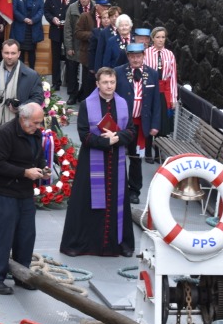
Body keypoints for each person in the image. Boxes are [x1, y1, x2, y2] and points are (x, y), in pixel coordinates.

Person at [59, 67, 136, 257]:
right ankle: (81, 244)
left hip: (116, 161)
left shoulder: (123, 103)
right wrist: (105, 141)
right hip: (92, 161)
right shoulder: (87, 104)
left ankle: (119, 244)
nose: (109, 86)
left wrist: (117, 136)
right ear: (97, 84)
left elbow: (132, 131)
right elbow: (83, 135)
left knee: (117, 202)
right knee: (87, 202)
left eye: (112, 82)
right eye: (105, 82)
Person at [0, 102, 46, 295]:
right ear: (23, 119)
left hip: (25, 192)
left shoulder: (35, 133)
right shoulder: (5, 134)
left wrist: (41, 170)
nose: (38, 127)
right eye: (35, 123)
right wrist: (24, 173)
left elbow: (38, 157)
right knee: (4, 236)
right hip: (6, 192)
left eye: (39, 123)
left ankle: (21, 275)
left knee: (26, 236)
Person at [114, 44, 160, 204]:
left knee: (135, 158)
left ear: (143, 56)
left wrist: (155, 125)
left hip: (140, 124)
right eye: (132, 56)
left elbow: (156, 102)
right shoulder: (118, 72)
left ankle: (134, 191)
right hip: (122, 123)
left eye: (138, 56)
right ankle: (117, 188)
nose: (135, 59)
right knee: (117, 156)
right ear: (128, 56)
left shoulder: (153, 74)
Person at [0, 39, 44, 154]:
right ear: (1, 53)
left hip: (20, 127)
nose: (9, 56)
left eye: (13, 53)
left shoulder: (31, 75)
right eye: (6, 53)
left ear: (19, 54)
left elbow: (38, 99)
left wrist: (21, 108)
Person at [144, 26, 178, 164]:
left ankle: (158, 152)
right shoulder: (146, 53)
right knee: (149, 120)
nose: (160, 40)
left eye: (163, 37)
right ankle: (147, 152)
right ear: (152, 38)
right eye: (158, 37)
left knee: (162, 123)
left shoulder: (169, 54)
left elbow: (173, 77)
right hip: (150, 90)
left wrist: (174, 97)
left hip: (164, 91)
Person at [43, 0, 77, 92]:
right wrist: (52, 19)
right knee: (55, 58)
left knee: (70, 58)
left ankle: (69, 84)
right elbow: (46, 11)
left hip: (70, 32)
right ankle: (55, 82)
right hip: (56, 31)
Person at [75, 0, 109, 102]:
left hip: (103, 57)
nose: (105, 9)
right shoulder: (86, 16)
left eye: (107, 6)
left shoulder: (110, 18)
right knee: (88, 83)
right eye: (103, 6)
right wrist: (94, 35)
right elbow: (77, 33)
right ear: (97, 6)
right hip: (88, 55)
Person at [63, 0, 93, 104]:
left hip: (88, 45)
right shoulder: (72, 8)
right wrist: (69, 47)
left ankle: (84, 94)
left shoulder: (95, 7)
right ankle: (72, 94)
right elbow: (68, 29)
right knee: (72, 70)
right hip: (75, 44)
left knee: (87, 71)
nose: (84, 0)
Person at [11, 0, 44, 69]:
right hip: (20, 27)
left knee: (32, 52)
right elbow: (14, 9)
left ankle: (31, 73)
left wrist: (33, 20)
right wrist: (23, 18)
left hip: (33, 28)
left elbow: (41, 10)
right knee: (19, 51)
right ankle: (19, 73)